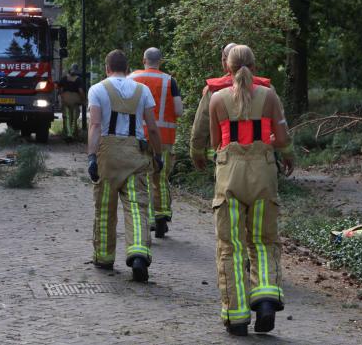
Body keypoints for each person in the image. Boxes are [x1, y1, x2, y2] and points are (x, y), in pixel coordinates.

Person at [208, 45, 294, 336]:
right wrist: (280, 148)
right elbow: (282, 138)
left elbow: (214, 143)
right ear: (254, 67)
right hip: (263, 176)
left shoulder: (216, 99)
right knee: (263, 241)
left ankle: (237, 316)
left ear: (227, 68)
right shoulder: (269, 96)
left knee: (230, 247)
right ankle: (266, 298)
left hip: (229, 177)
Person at [87, 50, 163, 282]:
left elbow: (96, 125)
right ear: (128, 69)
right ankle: (139, 253)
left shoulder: (97, 89)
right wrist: (158, 154)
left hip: (108, 156)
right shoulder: (143, 90)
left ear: (107, 68)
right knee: (137, 207)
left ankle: (104, 257)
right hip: (135, 154)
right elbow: (151, 127)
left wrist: (92, 157)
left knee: (105, 209)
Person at [189, 43, 273, 171]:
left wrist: (196, 152)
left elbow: (201, 126)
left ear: (227, 63)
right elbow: (279, 128)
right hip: (262, 160)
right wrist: (285, 153)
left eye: (223, 59)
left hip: (227, 161)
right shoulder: (268, 89)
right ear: (253, 65)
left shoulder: (213, 91)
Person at [129, 47, 182, 238]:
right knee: (160, 177)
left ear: (144, 60)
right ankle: (162, 216)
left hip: (136, 137)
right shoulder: (169, 81)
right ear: (160, 61)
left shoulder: (132, 79)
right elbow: (178, 110)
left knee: (142, 178)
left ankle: (148, 218)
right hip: (165, 138)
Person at [57, 63, 85, 141]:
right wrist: (83, 100)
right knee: (74, 117)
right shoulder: (79, 79)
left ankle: (68, 134)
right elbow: (81, 91)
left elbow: (59, 88)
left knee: (67, 117)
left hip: (65, 99)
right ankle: (72, 134)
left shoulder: (64, 78)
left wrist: (61, 97)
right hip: (75, 100)